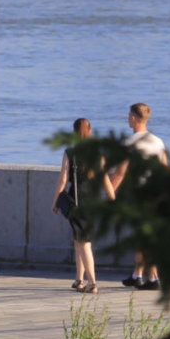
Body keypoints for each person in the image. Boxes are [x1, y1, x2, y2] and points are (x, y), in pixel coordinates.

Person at [105, 102, 170, 289]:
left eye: (128, 115)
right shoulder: (158, 141)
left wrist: (110, 195)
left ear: (134, 118)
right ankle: (138, 275)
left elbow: (120, 173)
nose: (127, 118)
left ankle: (153, 278)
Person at [52, 117, 98, 292]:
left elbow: (63, 179)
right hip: (92, 199)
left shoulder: (70, 152)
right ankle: (79, 279)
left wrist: (55, 200)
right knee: (79, 239)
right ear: (90, 132)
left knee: (84, 242)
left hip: (76, 200)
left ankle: (92, 282)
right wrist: (111, 195)